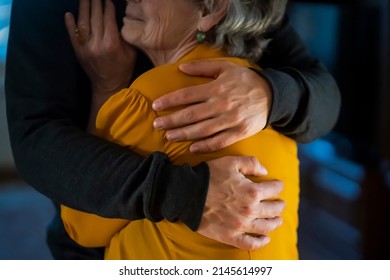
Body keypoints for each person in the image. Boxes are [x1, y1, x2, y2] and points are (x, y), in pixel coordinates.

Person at [4, 0, 341, 259]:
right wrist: (186, 194)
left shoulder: (152, 96)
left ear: (212, 10)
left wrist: (270, 94)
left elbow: (323, 93)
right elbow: (36, 140)